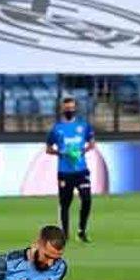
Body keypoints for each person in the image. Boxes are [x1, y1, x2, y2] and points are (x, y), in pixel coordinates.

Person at [46, 96, 96, 243]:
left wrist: (81, 152)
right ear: (62, 110)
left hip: (81, 170)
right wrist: (61, 153)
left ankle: (81, 230)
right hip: (64, 171)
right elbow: (48, 149)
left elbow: (92, 143)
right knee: (65, 204)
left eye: (72, 108)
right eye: (67, 109)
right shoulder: (57, 128)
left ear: (75, 109)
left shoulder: (83, 126)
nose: (70, 110)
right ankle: (65, 234)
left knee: (86, 199)